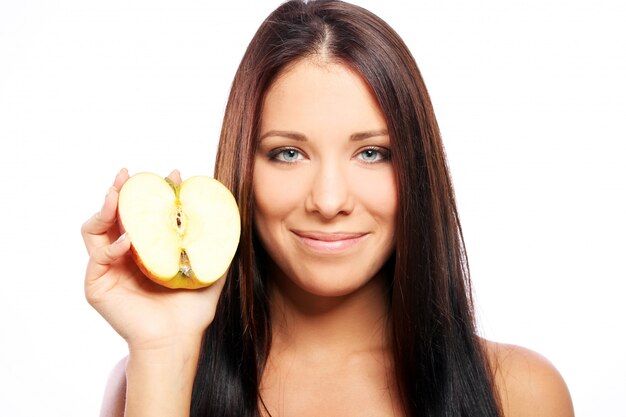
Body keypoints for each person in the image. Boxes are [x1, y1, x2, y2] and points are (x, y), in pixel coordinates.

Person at [81, 1, 575, 416]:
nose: (330, 201)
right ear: (243, 170)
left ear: (418, 171)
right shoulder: (150, 377)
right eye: (288, 153)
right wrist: (165, 351)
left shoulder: (521, 393)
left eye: (372, 153)